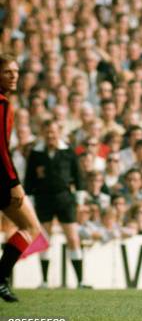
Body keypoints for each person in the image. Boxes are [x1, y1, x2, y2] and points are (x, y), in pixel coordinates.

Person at [0, 54, 48, 302]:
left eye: (16, 71)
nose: (14, 76)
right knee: (31, 227)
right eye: (8, 71)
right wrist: (13, 183)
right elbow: (0, 149)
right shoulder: (1, 104)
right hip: (1, 180)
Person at [24, 119, 88, 289]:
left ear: (59, 132)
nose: (50, 135)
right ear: (43, 134)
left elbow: (79, 178)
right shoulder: (36, 153)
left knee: (73, 238)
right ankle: (44, 281)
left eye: (53, 132)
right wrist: (29, 203)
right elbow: (29, 181)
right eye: (47, 132)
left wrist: (80, 202)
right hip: (43, 199)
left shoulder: (68, 152)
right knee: (44, 239)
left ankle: (80, 282)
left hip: (64, 199)